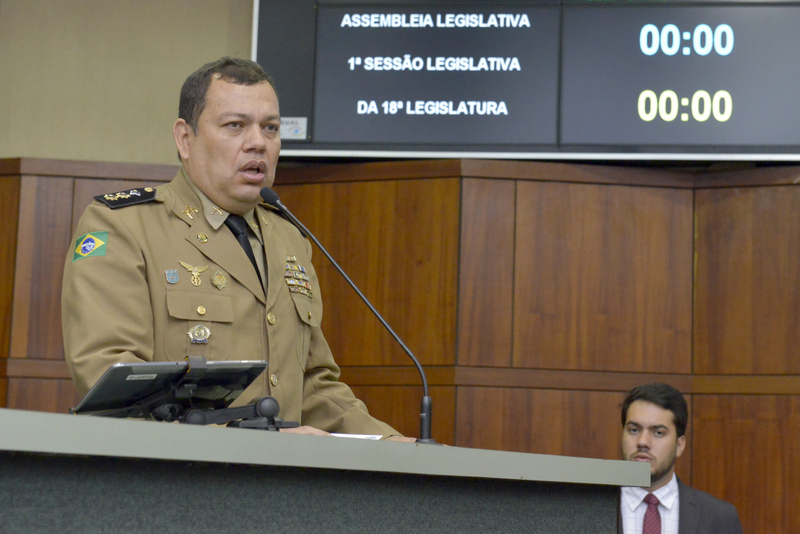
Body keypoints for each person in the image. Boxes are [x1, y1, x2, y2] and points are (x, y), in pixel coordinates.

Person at [62, 57, 413, 441]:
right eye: (235, 125)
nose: (258, 142)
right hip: (174, 471)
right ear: (185, 138)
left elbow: (313, 387)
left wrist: (390, 444)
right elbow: (112, 384)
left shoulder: (289, 238)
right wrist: (251, 442)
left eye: (270, 128)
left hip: (282, 473)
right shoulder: (124, 226)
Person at [619, 383, 742, 534]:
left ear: (679, 445)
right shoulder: (593, 506)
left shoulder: (719, 517)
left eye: (658, 433)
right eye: (634, 430)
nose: (642, 442)